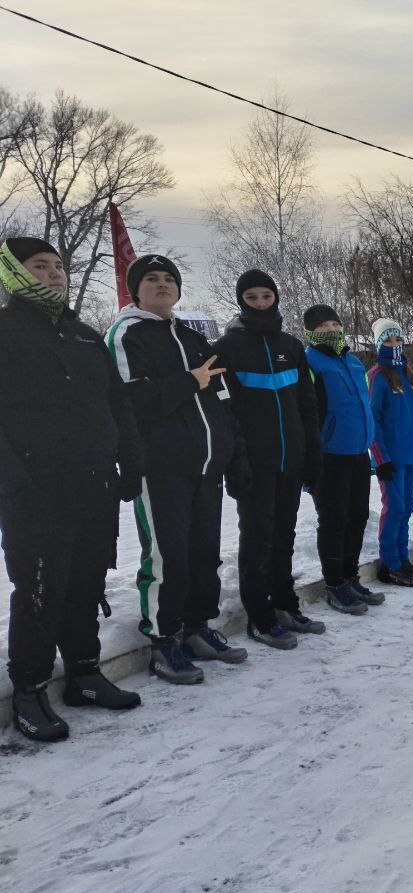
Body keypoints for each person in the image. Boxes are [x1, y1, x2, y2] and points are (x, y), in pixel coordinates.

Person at [1, 238, 144, 741]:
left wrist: (130, 460)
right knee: (41, 591)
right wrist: (15, 482)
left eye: (58, 266)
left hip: (95, 485)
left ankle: (84, 672)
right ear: (13, 273)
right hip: (36, 492)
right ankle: (30, 690)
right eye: (39, 266)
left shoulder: (85, 336)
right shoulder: (5, 332)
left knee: (86, 585)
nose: (54, 273)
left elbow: (117, 406)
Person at [108, 254, 238, 686]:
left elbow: (217, 397)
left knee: (204, 553)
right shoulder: (127, 334)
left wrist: (227, 450)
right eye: (152, 279)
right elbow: (129, 401)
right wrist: (189, 381)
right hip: (162, 467)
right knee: (168, 558)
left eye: (169, 279)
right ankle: (164, 642)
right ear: (134, 289)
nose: (162, 285)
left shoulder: (189, 334)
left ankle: (197, 626)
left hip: (205, 466)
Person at [215, 270, 322, 649]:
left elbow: (307, 406)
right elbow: (225, 412)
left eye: (266, 296)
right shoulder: (227, 348)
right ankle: (259, 618)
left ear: (275, 298)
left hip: (290, 459)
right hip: (254, 463)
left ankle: (284, 605)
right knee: (257, 539)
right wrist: (236, 462)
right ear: (241, 301)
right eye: (252, 297)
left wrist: (310, 454)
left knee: (284, 536)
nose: (260, 302)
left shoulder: (291, 346)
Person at [303, 305, 385, 613]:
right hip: (329, 455)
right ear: (311, 332)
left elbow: (362, 407)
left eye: (334, 323)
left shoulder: (352, 362)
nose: (330, 329)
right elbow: (307, 414)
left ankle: (350, 577)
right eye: (322, 326)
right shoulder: (309, 362)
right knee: (334, 520)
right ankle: (335, 584)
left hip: (357, 453)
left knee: (357, 517)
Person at [368, 319, 413, 588]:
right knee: (392, 508)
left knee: (405, 508)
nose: (394, 345)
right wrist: (381, 459)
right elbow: (374, 420)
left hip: (410, 455)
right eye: (388, 341)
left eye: (397, 340)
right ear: (379, 344)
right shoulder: (377, 376)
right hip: (391, 458)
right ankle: (389, 562)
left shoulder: (408, 374)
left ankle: (401, 559)